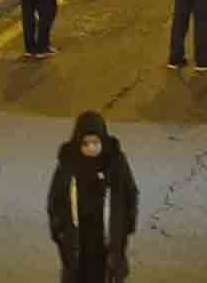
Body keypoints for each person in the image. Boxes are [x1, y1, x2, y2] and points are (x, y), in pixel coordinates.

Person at [47, 111, 139, 283]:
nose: (91, 148)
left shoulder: (116, 163)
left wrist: (126, 227)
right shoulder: (68, 165)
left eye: (95, 143)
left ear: (102, 141)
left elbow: (130, 194)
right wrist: (59, 232)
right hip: (77, 244)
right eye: (86, 143)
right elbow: (55, 201)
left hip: (109, 243)